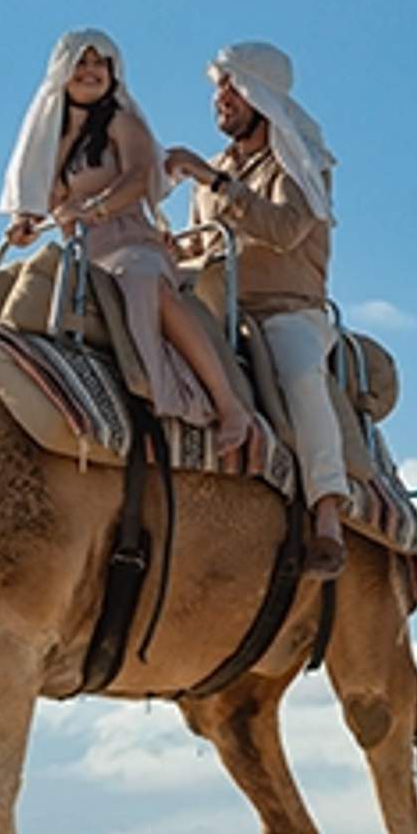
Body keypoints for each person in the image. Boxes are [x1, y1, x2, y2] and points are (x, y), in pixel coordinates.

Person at [0, 30, 253, 457]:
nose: (91, 71)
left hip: (128, 240)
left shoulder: (121, 122)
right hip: (82, 253)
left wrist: (95, 209)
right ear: (63, 70)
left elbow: (138, 177)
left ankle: (228, 406)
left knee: (143, 282)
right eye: (82, 62)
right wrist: (25, 223)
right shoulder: (49, 138)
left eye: (101, 63)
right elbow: (41, 203)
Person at [166, 41, 347, 575]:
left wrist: (215, 181)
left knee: (297, 374)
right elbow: (201, 247)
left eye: (230, 86)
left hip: (285, 312)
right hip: (215, 308)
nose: (219, 98)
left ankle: (329, 515)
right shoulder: (215, 169)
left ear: (258, 93)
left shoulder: (301, 161)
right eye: (216, 87)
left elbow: (287, 229)